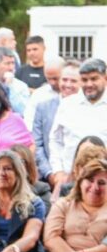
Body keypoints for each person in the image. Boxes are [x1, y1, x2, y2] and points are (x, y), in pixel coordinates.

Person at [48, 58, 107, 190]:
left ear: (105, 78)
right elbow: (55, 141)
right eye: (84, 80)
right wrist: (58, 171)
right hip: (71, 181)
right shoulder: (67, 104)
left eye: (94, 79)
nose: (89, 84)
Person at [30, 60, 79, 183]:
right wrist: (50, 173)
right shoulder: (43, 107)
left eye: (73, 81)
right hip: (50, 177)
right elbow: (37, 143)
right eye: (64, 80)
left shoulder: (88, 109)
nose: (68, 84)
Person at [0, 46, 30, 115]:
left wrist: (10, 87)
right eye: (7, 63)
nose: (11, 68)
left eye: (13, 63)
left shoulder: (21, 86)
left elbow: (24, 111)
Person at [10, 144, 52, 210]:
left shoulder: (41, 189)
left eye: (20, 161)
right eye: (12, 162)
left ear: (28, 166)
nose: (16, 165)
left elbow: (42, 215)